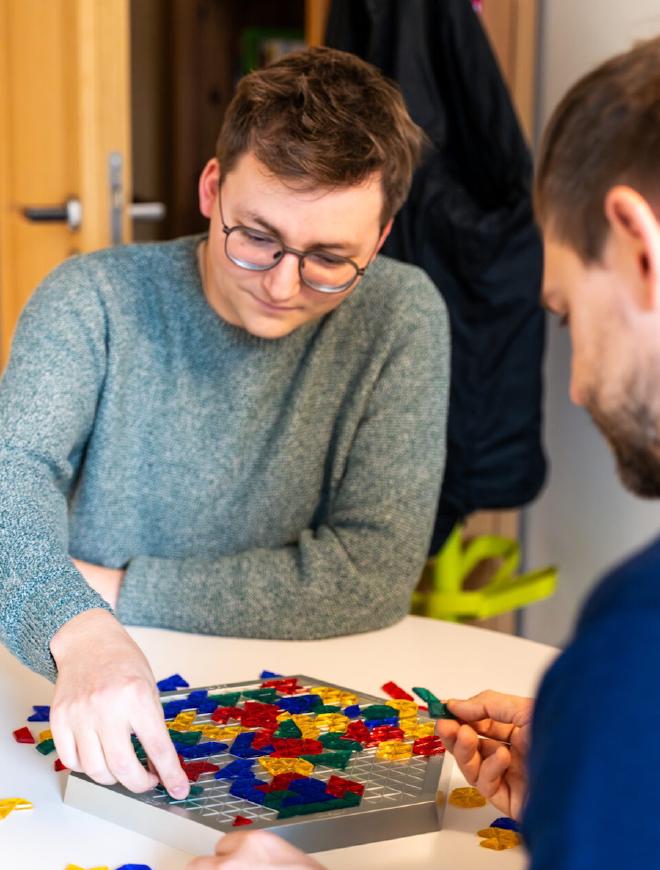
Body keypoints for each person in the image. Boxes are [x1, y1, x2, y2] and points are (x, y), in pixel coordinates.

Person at [180, 35, 660, 870]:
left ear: (639, 252)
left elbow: (367, 567)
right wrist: (599, 779)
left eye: (565, 315)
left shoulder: (637, 646)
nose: (574, 391)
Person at [0, 49, 449, 799]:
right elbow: (14, 471)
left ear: (381, 238)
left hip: (297, 703)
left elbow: (370, 574)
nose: (281, 284)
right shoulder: (92, 296)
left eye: (330, 257)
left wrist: (111, 589)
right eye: (257, 237)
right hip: (91, 682)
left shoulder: (403, 315)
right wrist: (78, 625)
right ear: (212, 189)